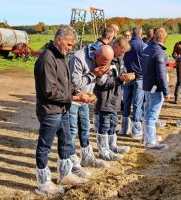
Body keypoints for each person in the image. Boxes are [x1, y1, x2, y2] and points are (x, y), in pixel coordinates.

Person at [34, 26, 90, 196]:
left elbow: (66, 84)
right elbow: (50, 91)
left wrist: (76, 92)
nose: (70, 47)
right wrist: (75, 98)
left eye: (72, 45)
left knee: (66, 141)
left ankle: (65, 174)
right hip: (50, 111)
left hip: (63, 109)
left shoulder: (62, 57)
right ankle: (43, 183)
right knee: (45, 146)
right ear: (59, 40)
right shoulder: (46, 59)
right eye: (69, 44)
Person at [69, 45, 114, 170]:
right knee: (72, 131)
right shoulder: (78, 58)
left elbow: (101, 82)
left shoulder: (102, 60)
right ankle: (72, 163)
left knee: (85, 129)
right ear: (96, 55)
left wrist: (101, 74)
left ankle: (87, 157)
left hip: (86, 100)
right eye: (104, 62)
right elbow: (75, 83)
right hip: (73, 99)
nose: (105, 64)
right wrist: (93, 73)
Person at [95, 37, 134, 160]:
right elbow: (102, 83)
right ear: (115, 46)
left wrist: (126, 76)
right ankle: (103, 151)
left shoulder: (119, 58)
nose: (123, 55)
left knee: (112, 123)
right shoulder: (105, 57)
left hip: (115, 96)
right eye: (121, 52)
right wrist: (120, 79)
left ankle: (112, 146)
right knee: (104, 125)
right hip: (105, 97)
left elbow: (122, 70)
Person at [142, 28, 170, 150]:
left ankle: (147, 136)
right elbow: (161, 74)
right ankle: (150, 141)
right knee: (152, 114)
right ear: (165, 40)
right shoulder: (160, 53)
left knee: (147, 110)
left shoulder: (146, 49)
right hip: (155, 87)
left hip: (147, 85)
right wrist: (166, 91)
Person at [119, 26, 147, 139]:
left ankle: (124, 129)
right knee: (137, 104)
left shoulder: (127, 45)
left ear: (132, 33)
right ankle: (136, 131)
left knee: (126, 102)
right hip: (139, 78)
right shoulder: (144, 46)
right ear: (141, 34)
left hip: (127, 76)